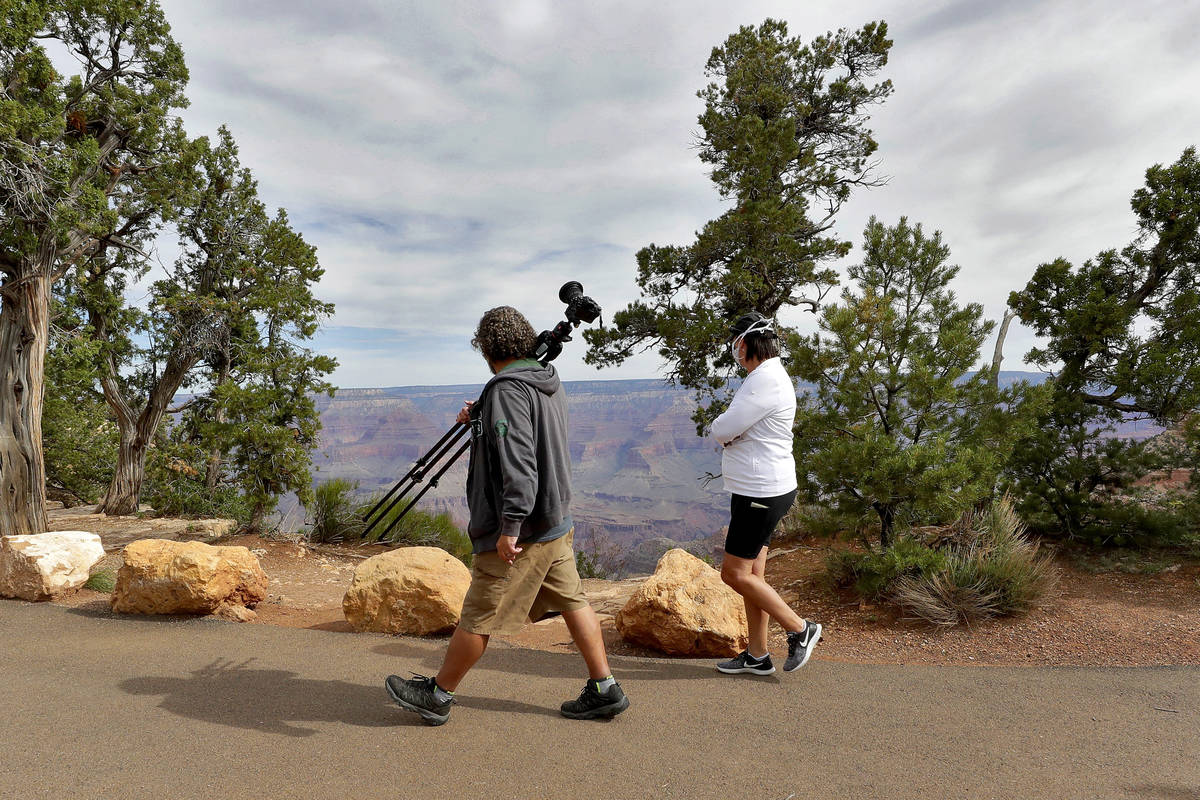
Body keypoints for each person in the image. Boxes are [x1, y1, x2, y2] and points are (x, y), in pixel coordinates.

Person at [385, 306, 629, 725]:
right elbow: (527, 433)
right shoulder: (542, 380)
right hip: (555, 520)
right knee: (573, 599)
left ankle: (438, 695)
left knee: (479, 612)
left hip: (525, 529)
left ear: (486, 348)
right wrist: (482, 416)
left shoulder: (506, 391)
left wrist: (510, 527)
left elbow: (520, 463)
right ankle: (604, 688)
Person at [710, 311, 821, 676]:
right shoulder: (766, 377)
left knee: (734, 573)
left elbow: (723, 427)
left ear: (747, 343)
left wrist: (726, 431)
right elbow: (734, 428)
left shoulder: (764, 381)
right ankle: (757, 654)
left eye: (736, 342)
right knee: (754, 571)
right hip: (760, 487)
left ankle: (800, 629)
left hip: (761, 491)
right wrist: (733, 432)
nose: (734, 349)